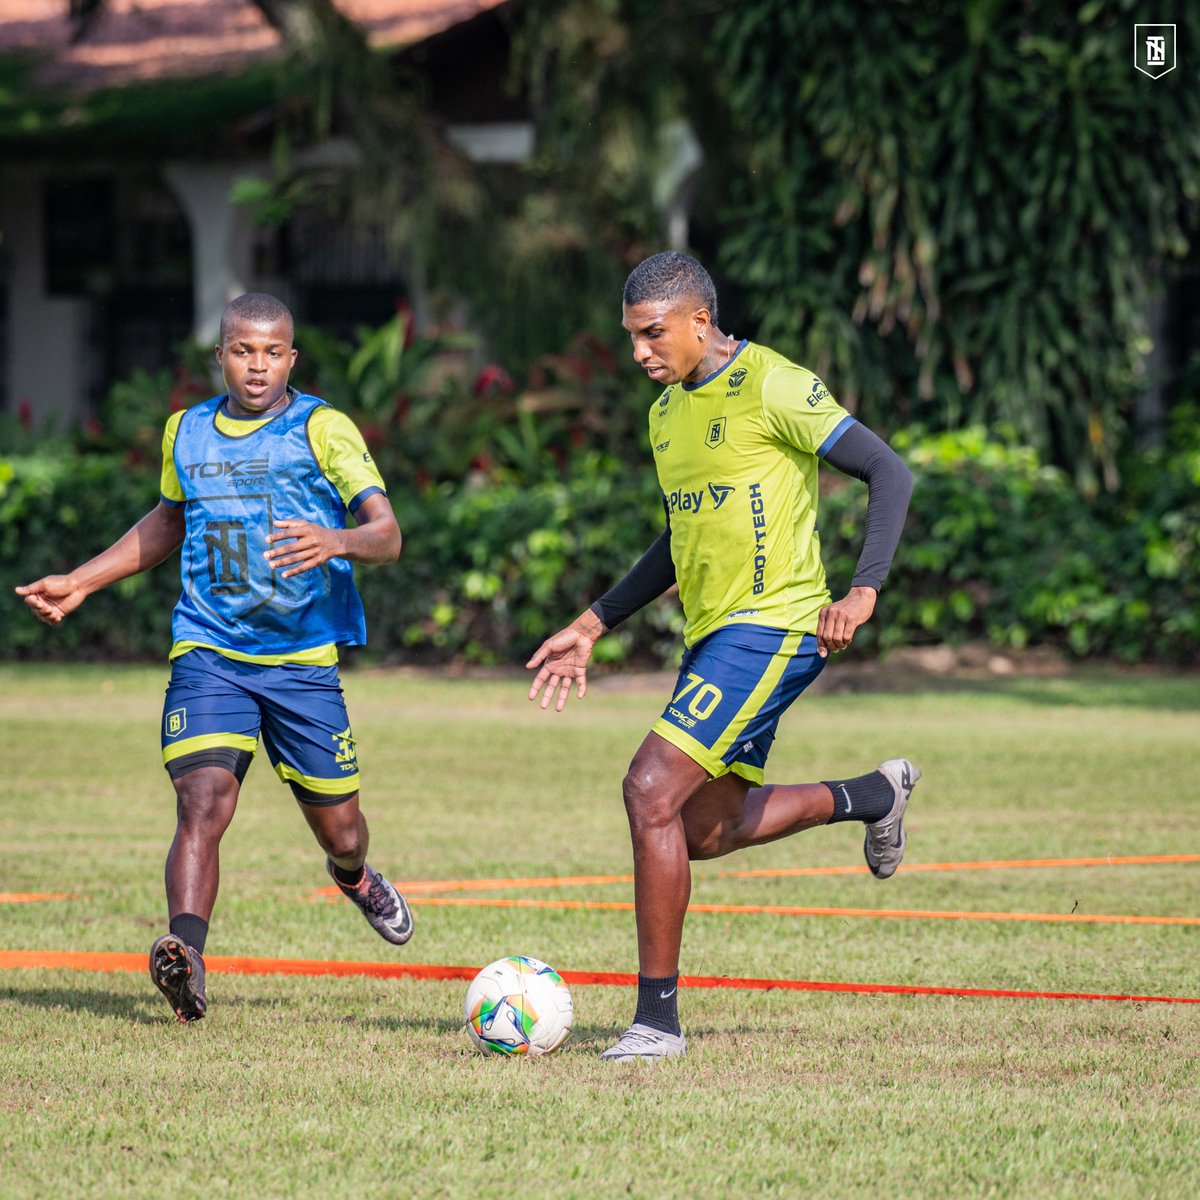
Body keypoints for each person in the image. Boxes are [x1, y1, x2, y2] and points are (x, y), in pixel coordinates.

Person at [527, 252, 919, 1060]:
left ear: (700, 321)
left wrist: (863, 591)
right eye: (632, 336)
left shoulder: (774, 383)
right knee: (708, 829)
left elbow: (889, 471)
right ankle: (874, 795)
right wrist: (594, 623)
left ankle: (656, 1023)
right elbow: (678, 537)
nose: (640, 351)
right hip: (713, 638)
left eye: (653, 333)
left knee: (648, 790)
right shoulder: (667, 413)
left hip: (776, 626)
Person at [16, 293, 413, 1024]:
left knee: (343, 830)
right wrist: (80, 581)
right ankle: (186, 956)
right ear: (221, 355)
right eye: (241, 350)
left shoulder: (323, 428)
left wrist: (339, 541)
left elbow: (387, 533)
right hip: (211, 651)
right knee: (201, 802)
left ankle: (356, 879)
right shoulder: (188, 430)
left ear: (292, 358)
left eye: (271, 352)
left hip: (301, 663)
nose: (256, 365)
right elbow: (168, 522)